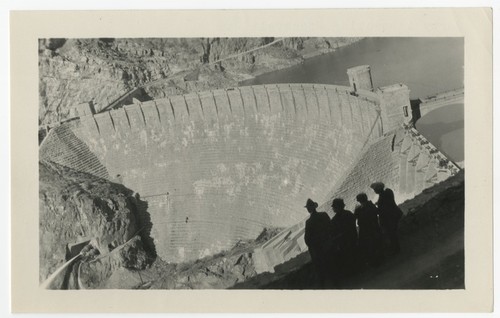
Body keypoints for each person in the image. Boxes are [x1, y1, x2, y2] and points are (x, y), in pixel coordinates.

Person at [304, 198, 331, 288]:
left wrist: (313, 247)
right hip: (328, 246)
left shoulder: (309, 222)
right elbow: (330, 227)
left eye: (308, 207)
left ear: (309, 209)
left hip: (318, 249)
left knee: (320, 269)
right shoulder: (324, 215)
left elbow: (307, 239)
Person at [370, 182, 403, 255]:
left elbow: (382, 210)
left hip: (389, 218)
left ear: (378, 189)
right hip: (395, 214)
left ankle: (396, 249)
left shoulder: (382, 197)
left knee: (392, 234)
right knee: (393, 233)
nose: (374, 191)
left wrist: (374, 207)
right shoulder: (388, 191)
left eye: (375, 189)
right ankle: (395, 247)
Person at [329, 198, 358, 278]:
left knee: (347, 256)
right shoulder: (348, 214)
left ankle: (351, 273)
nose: (333, 209)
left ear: (337, 207)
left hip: (343, 242)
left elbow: (333, 232)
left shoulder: (334, 220)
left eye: (334, 207)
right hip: (352, 238)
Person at [353, 193, 384, 267]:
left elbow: (356, 217)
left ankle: (374, 261)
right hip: (374, 227)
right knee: (376, 243)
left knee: (369, 246)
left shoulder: (360, 209)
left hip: (366, 230)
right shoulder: (370, 205)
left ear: (359, 201)